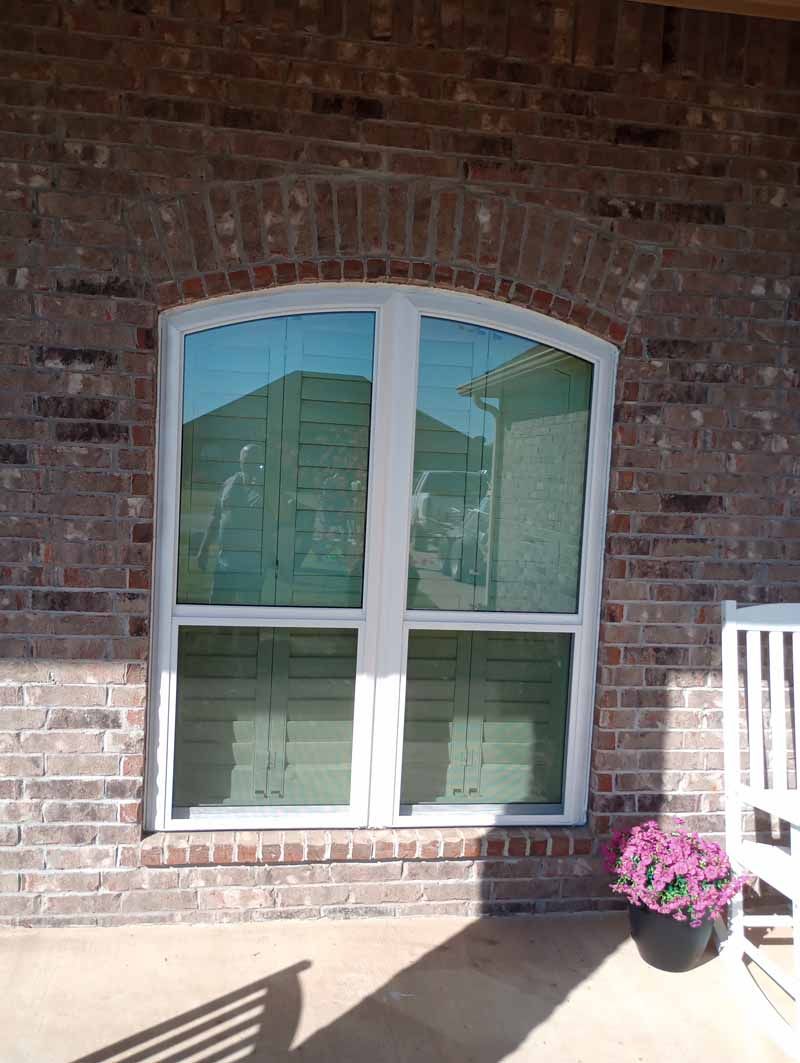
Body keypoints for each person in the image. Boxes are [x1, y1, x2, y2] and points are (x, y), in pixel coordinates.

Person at [195, 443, 266, 604]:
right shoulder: (228, 483)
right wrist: (203, 549)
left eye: (253, 460)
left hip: (253, 562)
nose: (248, 464)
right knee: (218, 605)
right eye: (245, 460)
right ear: (240, 460)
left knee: (249, 609)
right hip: (225, 560)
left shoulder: (268, 487)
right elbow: (216, 518)